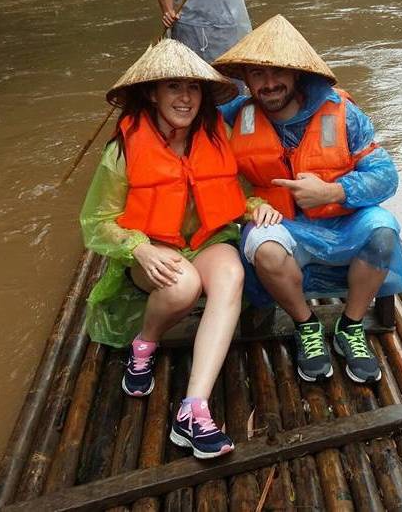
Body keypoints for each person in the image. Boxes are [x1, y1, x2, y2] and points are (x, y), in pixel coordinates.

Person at [80, 39, 281, 459]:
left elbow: (236, 192)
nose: (185, 98)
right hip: (150, 248)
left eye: (192, 87)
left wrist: (257, 207)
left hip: (207, 240)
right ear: (152, 93)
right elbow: (96, 223)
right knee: (181, 286)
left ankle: (193, 408)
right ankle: (145, 343)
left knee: (231, 275)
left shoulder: (218, 134)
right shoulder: (121, 151)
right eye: (173, 87)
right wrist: (139, 248)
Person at [213, 15, 402, 384]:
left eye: (278, 73)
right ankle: (307, 326)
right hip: (280, 224)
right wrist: (250, 205)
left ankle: (349, 326)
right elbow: (201, 170)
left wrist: (333, 191)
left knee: (384, 232)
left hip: (344, 220)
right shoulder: (230, 118)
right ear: (245, 77)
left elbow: (386, 176)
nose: (269, 84)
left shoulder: (344, 113)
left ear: (297, 75)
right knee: (265, 249)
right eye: (257, 74)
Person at [155, 0, 251, 63]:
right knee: (187, 76)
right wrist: (169, 12)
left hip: (223, 27)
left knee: (226, 75)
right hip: (185, 27)